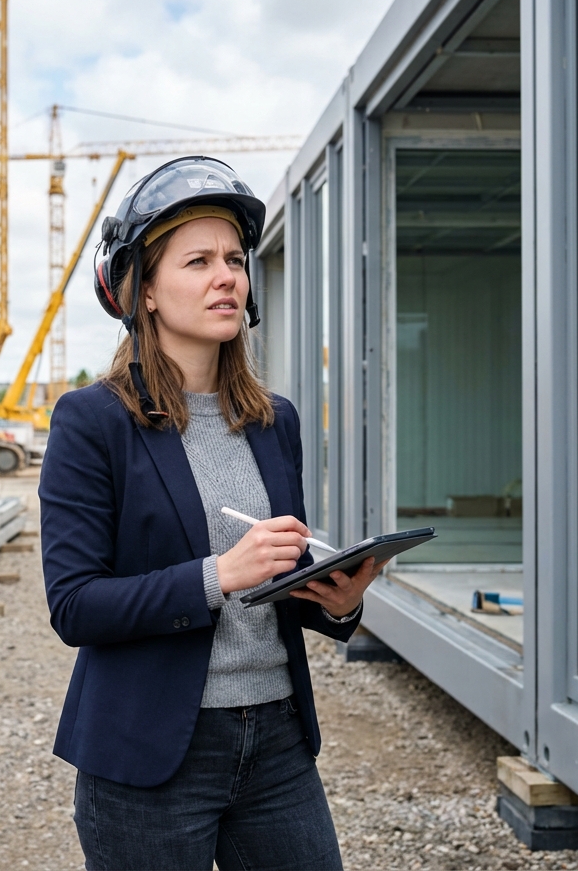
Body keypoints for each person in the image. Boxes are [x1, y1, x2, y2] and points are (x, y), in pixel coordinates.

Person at [39, 157, 386, 871]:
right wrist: (215, 575)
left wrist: (338, 603)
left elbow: (276, 580)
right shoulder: (92, 422)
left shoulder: (272, 421)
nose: (226, 276)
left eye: (233, 259)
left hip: (278, 746)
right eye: (197, 261)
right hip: (151, 757)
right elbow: (74, 605)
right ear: (146, 292)